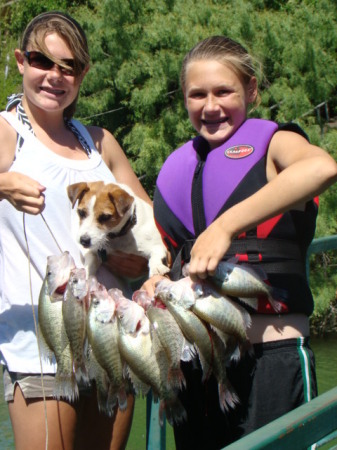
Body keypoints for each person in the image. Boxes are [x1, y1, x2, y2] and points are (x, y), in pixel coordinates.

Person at [143, 36, 337, 449]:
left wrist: (225, 226)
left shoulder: (276, 144)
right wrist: (156, 280)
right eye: (197, 94)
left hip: (272, 359)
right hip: (195, 370)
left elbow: (322, 167)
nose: (210, 106)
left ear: (250, 90)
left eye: (223, 91)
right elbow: (174, 260)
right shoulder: (176, 168)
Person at [0, 11, 150, 450]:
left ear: (83, 74)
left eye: (69, 67)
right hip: (40, 345)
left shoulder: (98, 141)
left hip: (113, 335)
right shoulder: (7, 132)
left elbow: (149, 218)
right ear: (20, 62)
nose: (55, 76)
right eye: (42, 61)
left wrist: (135, 258)